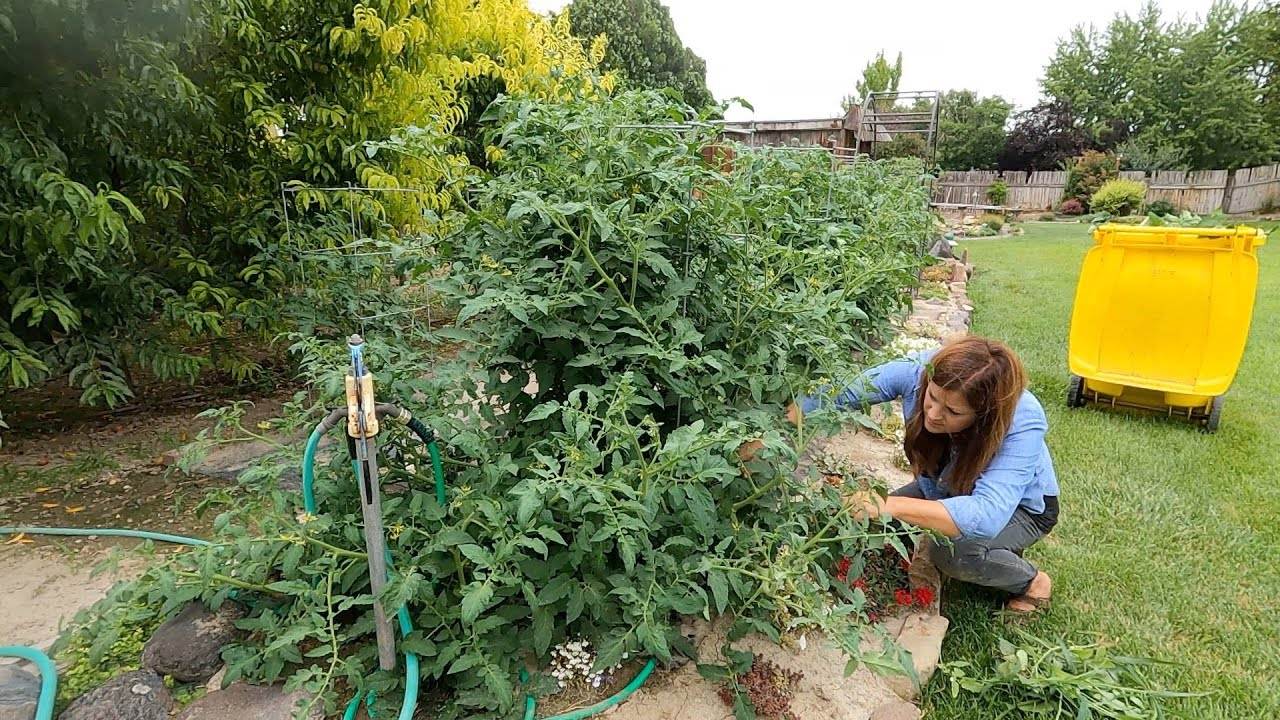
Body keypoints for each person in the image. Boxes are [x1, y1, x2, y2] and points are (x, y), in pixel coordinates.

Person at [788, 336, 1059, 613]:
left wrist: (887, 504)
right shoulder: (920, 370)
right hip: (942, 488)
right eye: (931, 397)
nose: (933, 414)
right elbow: (841, 393)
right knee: (867, 527)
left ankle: (1032, 582)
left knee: (950, 553)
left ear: (984, 415)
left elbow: (987, 515)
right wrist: (777, 432)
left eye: (952, 411)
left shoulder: (1021, 420)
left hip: (1022, 510)